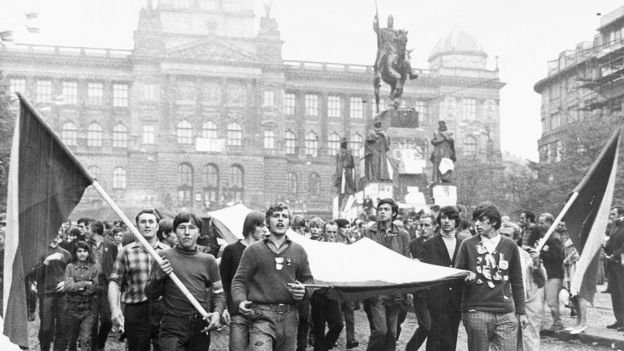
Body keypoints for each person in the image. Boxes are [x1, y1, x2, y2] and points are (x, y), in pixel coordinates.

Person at [231, 202, 314, 351]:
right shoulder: (253, 250)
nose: (280, 220)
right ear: (267, 222)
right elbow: (239, 281)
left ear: (289, 223)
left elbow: (308, 280)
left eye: (284, 216)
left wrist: (304, 290)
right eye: (276, 216)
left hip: (290, 317)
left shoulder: (298, 250)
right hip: (261, 314)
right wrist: (240, 300)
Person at [145, 212, 225, 350]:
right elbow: (150, 295)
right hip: (172, 325)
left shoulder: (208, 260)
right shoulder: (163, 257)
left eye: (192, 228)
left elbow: (219, 293)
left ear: (199, 232)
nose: (187, 232)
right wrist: (158, 276)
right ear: (175, 231)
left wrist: (217, 312)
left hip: (201, 324)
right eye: (182, 227)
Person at [455, 202, 527, 351]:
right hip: (477, 311)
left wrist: (521, 311)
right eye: (475, 220)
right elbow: (457, 276)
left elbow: (517, 280)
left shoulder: (510, 245)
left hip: (506, 313)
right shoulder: (468, 244)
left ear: (494, 222)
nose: (477, 224)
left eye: (481, 220)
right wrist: (466, 277)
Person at [109, 209, 170, 351]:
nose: (147, 225)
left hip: (163, 309)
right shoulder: (125, 252)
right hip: (136, 309)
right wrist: (114, 309)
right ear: (137, 227)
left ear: (157, 226)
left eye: (151, 222)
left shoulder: (168, 252)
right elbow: (115, 282)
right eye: (143, 222)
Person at [363, 198, 410, 351]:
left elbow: (406, 262)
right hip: (376, 289)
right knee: (380, 331)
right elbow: (361, 258)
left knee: (392, 333)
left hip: (395, 290)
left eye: (386, 209)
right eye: (380, 209)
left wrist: (407, 290)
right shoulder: (369, 232)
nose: (382, 212)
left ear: (394, 213)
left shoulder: (402, 235)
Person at [418, 206, 465, 351]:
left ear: (456, 221)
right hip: (436, 299)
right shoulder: (429, 245)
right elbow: (424, 273)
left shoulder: (463, 244)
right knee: (436, 338)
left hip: (456, 300)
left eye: (450, 218)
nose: (446, 221)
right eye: (443, 218)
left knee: (451, 338)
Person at [219, 211, 266, 351]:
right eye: (262, 226)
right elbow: (223, 282)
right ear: (252, 227)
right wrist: (224, 308)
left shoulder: (266, 251)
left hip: (262, 313)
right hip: (238, 313)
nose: (265, 230)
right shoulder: (231, 250)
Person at [500, 224, 546, 351]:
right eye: (501, 235)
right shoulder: (494, 255)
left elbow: (541, 281)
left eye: (508, 235)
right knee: (507, 339)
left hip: (529, 302)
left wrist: (537, 264)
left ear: (516, 238)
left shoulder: (528, 256)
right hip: (507, 302)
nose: (504, 238)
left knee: (529, 338)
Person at [32, 234, 71, 351]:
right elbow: (35, 275)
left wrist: (66, 282)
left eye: (57, 234)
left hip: (62, 294)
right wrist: (47, 261)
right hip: (46, 294)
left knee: (62, 327)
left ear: (60, 236)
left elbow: (73, 273)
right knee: (46, 327)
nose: (55, 237)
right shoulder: (39, 251)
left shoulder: (66, 254)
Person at [310, 221, 344, 351]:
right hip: (318, 293)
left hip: (333, 292)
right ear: (324, 232)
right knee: (319, 329)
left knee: (338, 325)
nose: (332, 235)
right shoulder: (318, 247)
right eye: (329, 232)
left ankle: (324, 347)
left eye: (334, 232)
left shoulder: (340, 248)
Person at [87, 220, 118, 351]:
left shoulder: (111, 245)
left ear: (94, 230)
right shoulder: (85, 245)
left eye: (88, 228)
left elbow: (116, 263)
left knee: (107, 320)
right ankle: (95, 348)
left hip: (106, 285)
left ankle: (100, 342)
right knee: (92, 322)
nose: (86, 231)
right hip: (91, 285)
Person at [65, 241, 99, 351]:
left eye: (85, 251)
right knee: (71, 341)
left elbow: (94, 287)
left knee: (86, 339)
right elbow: (68, 287)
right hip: (72, 308)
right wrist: (85, 283)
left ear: (89, 253)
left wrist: (76, 286)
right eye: (79, 251)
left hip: (87, 309)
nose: (82, 254)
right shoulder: (70, 267)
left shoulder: (93, 268)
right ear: (75, 253)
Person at [537, 213, 564, 331]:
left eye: (542, 223)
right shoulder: (545, 237)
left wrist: (541, 253)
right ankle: (540, 323)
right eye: (539, 222)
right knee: (540, 300)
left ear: (549, 223)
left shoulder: (555, 239)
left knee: (552, 301)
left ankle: (557, 322)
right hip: (545, 274)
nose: (539, 225)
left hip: (554, 274)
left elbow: (557, 257)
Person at [604, 206, 624, 331]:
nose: (611, 216)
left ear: (621, 214)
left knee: (622, 292)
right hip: (612, 264)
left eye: (613, 214)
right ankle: (619, 319)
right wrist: (606, 246)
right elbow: (612, 241)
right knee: (615, 292)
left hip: (620, 263)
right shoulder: (614, 226)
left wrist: (614, 254)